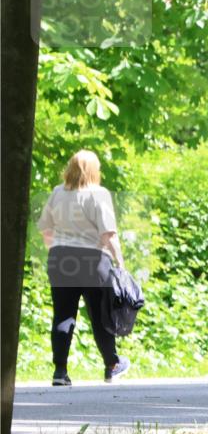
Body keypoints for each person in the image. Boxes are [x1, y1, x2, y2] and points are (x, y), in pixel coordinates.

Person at [37, 150, 131, 386]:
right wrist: (121, 262)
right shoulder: (98, 194)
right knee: (100, 316)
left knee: (63, 314)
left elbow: (45, 228)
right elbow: (108, 234)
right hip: (92, 260)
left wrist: (55, 250)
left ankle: (60, 372)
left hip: (60, 258)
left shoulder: (57, 193)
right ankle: (112, 365)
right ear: (93, 170)